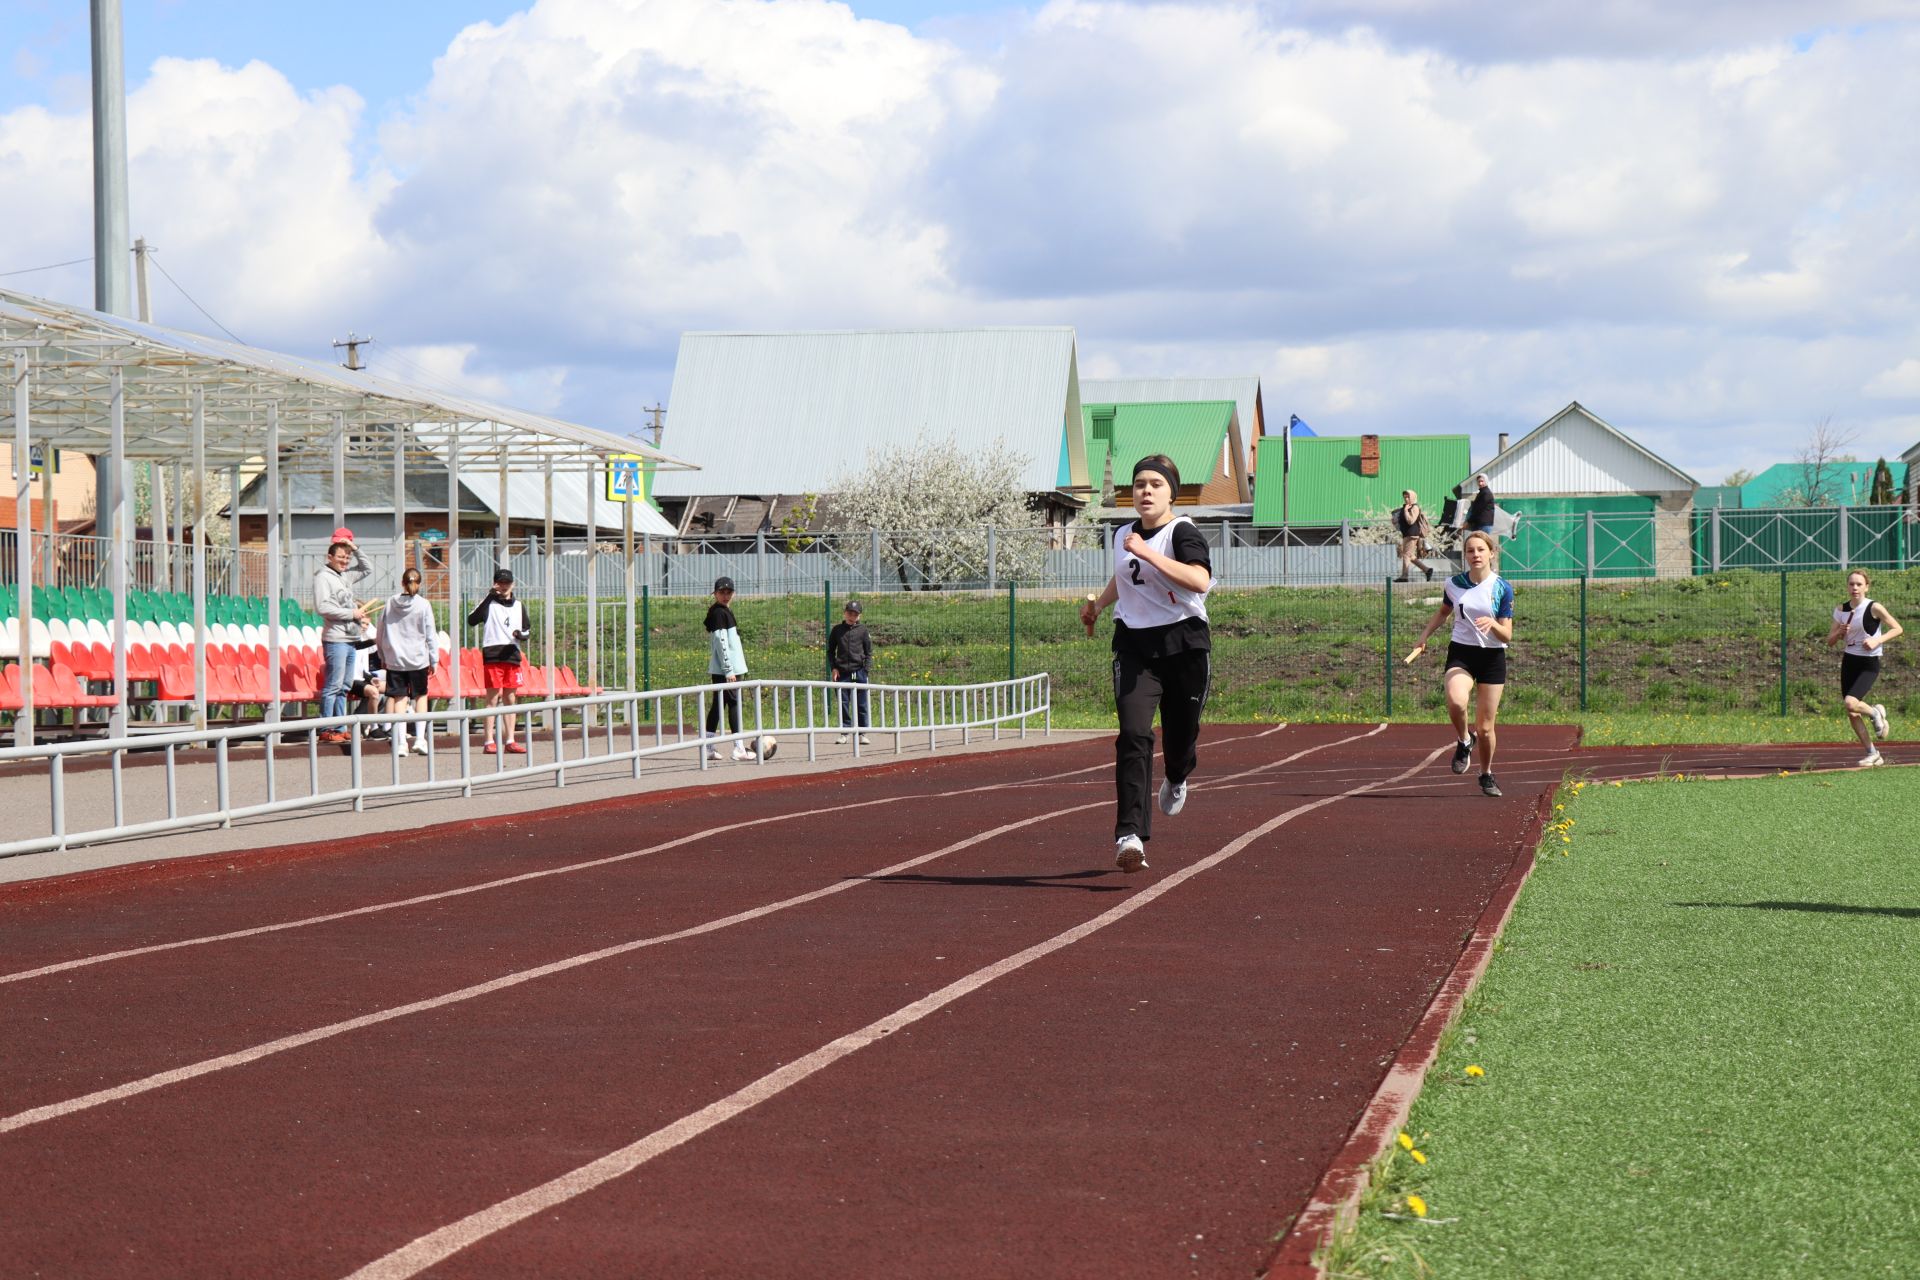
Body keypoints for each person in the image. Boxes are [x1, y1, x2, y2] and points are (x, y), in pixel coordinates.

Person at [1079, 454, 1215, 874]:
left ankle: (1177, 775)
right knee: (1134, 734)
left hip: (1184, 643)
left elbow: (1199, 580)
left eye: (1156, 484)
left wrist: (1150, 553)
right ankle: (1129, 836)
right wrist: (1099, 607)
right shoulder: (1123, 534)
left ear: (1171, 491)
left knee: (1180, 737)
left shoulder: (1182, 531)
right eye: (1139, 484)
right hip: (1135, 645)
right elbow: (1125, 575)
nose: (1146, 491)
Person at [1404, 529, 1513, 797]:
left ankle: (1486, 774)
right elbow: (1443, 611)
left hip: (1491, 657)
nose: (1475, 555)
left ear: (1491, 553)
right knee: (1456, 700)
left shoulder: (1502, 588)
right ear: (1465, 555)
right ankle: (1464, 740)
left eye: (1480, 550)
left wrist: (1493, 626)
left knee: (1486, 729)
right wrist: (1423, 636)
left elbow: (1507, 634)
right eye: (1470, 550)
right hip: (1462, 653)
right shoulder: (1453, 584)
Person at [1825, 569, 1902, 767]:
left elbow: (1897, 628)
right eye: (1851, 584)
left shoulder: (1874, 607)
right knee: (1852, 712)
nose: (1855, 588)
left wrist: (1877, 640)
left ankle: (1876, 713)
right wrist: (1839, 632)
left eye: (1859, 584)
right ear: (1847, 587)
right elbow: (1830, 641)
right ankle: (1872, 753)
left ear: (1866, 587)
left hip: (1869, 663)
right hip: (1850, 661)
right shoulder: (1841, 610)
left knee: (1851, 703)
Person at [313, 539, 371, 744]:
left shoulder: (345, 575)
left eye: (347, 557)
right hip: (335, 639)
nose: (345, 561)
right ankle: (325, 728)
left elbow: (367, 568)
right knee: (333, 685)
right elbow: (322, 607)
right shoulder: (322, 577)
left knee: (345, 686)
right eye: (341, 557)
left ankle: (339, 726)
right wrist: (351, 613)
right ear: (329, 557)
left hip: (350, 639)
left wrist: (354, 548)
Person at [466, 568, 530, 755]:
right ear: (495, 584)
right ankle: (488, 740)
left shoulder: (519, 605)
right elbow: (472, 619)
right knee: (492, 698)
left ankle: (510, 739)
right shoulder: (488, 604)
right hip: (493, 655)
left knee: (510, 698)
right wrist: (489, 596)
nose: (503, 586)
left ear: (513, 584)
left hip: (512, 654)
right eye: (500, 583)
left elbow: (527, 629)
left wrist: (521, 635)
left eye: (507, 583)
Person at [378, 566, 438, 757]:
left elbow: (380, 631)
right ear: (418, 584)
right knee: (420, 696)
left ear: (402, 583)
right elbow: (430, 634)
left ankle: (401, 742)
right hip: (418, 659)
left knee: (399, 699)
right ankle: (420, 739)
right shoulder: (423, 604)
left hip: (395, 659)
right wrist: (434, 659)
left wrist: (382, 655)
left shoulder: (390, 603)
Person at [704, 576, 756, 762]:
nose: (725, 596)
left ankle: (708, 747)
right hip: (727, 670)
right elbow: (721, 641)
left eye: (728, 592)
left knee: (718, 706)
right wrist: (729, 670)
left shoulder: (722, 611)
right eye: (721, 592)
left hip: (725, 669)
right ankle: (738, 748)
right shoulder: (719, 613)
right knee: (733, 705)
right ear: (715, 593)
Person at [828, 599, 873, 745]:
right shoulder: (837, 630)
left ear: (859, 616)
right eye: (849, 612)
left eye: (855, 614)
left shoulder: (863, 631)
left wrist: (865, 671)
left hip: (857, 672)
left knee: (861, 703)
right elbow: (830, 651)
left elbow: (869, 652)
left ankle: (862, 733)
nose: (851, 616)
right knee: (843, 702)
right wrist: (834, 668)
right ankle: (844, 732)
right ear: (844, 613)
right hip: (842, 673)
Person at [1393, 489, 1435, 582]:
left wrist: (1406, 511)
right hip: (1406, 534)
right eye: (1405, 497)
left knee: (1406, 555)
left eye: (1408, 497)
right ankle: (1427, 570)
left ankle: (1404, 576)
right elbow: (1403, 521)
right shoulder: (1407, 507)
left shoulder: (1414, 507)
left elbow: (1411, 521)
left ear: (1412, 497)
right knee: (1410, 556)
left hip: (1412, 535)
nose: (1406, 499)